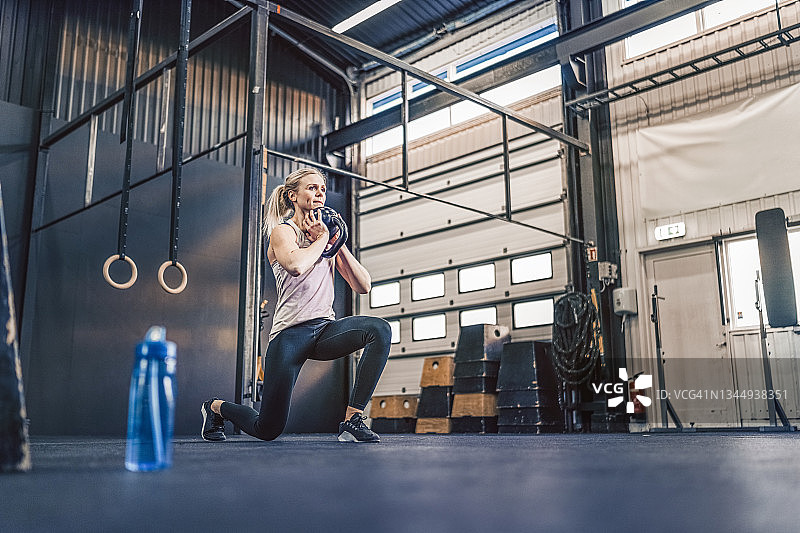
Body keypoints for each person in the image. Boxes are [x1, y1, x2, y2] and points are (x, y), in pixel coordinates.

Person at [201, 167, 391, 443]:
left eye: (322, 189)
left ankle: (352, 420)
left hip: (324, 330)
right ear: (293, 195)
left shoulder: (326, 240)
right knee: (268, 429)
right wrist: (324, 239)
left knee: (380, 329)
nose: (320, 193)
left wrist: (336, 243)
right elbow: (296, 265)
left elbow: (363, 285)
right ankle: (215, 408)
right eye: (312, 187)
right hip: (288, 337)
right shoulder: (283, 232)